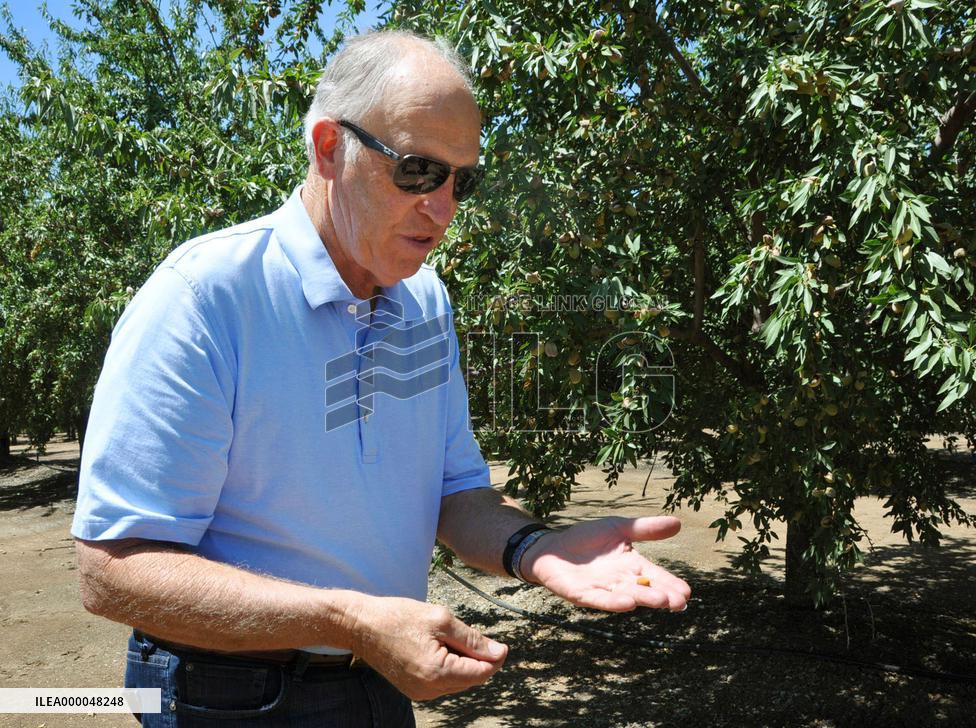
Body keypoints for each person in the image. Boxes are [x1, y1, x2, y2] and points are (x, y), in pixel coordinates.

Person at [71, 29, 691, 727]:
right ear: (330, 147)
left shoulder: (425, 301)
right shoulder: (206, 296)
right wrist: (351, 619)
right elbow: (113, 570)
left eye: (463, 180)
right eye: (420, 171)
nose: (445, 207)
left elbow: (455, 496)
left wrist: (534, 549)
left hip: (379, 683)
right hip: (228, 697)